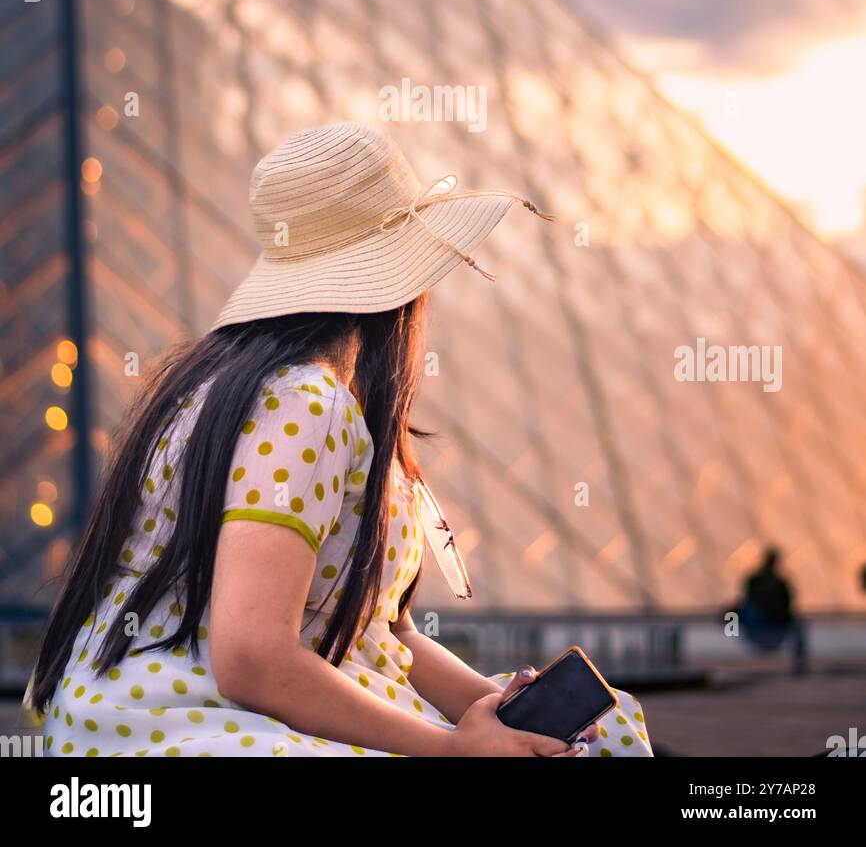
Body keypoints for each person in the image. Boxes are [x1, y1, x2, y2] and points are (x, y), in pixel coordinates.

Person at [26, 121, 651, 757]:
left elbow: (383, 632)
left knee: (606, 736)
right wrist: (451, 751)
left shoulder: (227, 387)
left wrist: (491, 716)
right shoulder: (306, 403)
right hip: (194, 724)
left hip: (152, 712)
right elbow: (250, 657)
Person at [739, 547, 808, 675]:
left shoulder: (756, 579)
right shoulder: (780, 582)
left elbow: (747, 598)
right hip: (771, 619)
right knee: (732, 614)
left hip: (761, 619)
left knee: (731, 615)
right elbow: (789, 603)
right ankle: (799, 662)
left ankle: (729, 639)